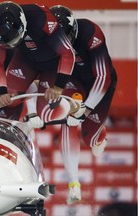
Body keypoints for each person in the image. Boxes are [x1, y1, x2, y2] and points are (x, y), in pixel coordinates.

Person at [43, 5, 117, 204]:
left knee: (91, 139)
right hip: (71, 82)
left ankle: (98, 134)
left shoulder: (91, 34)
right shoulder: (46, 38)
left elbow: (104, 75)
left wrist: (88, 107)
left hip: (98, 83)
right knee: (69, 118)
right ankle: (74, 183)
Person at [0, 1, 75, 128]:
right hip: (25, 59)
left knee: (46, 114)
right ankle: (34, 89)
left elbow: (67, 54)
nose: (7, 46)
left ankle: (73, 106)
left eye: (12, 41)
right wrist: (2, 92)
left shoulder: (41, 19)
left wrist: (58, 87)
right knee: (10, 100)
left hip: (52, 64)